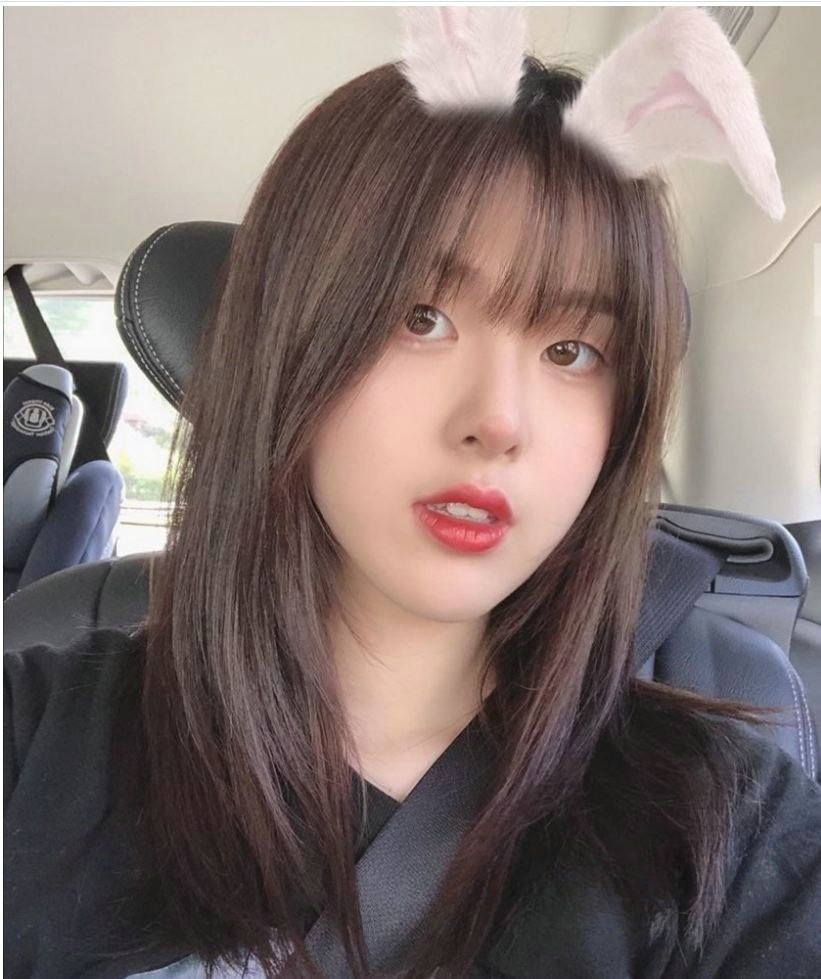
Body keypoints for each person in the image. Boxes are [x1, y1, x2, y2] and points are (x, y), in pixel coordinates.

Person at [5, 7, 820, 979]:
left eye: (571, 350)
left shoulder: (726, 830)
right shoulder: (36, 748)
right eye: (420, 317)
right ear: (285, 343)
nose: (498, 419)